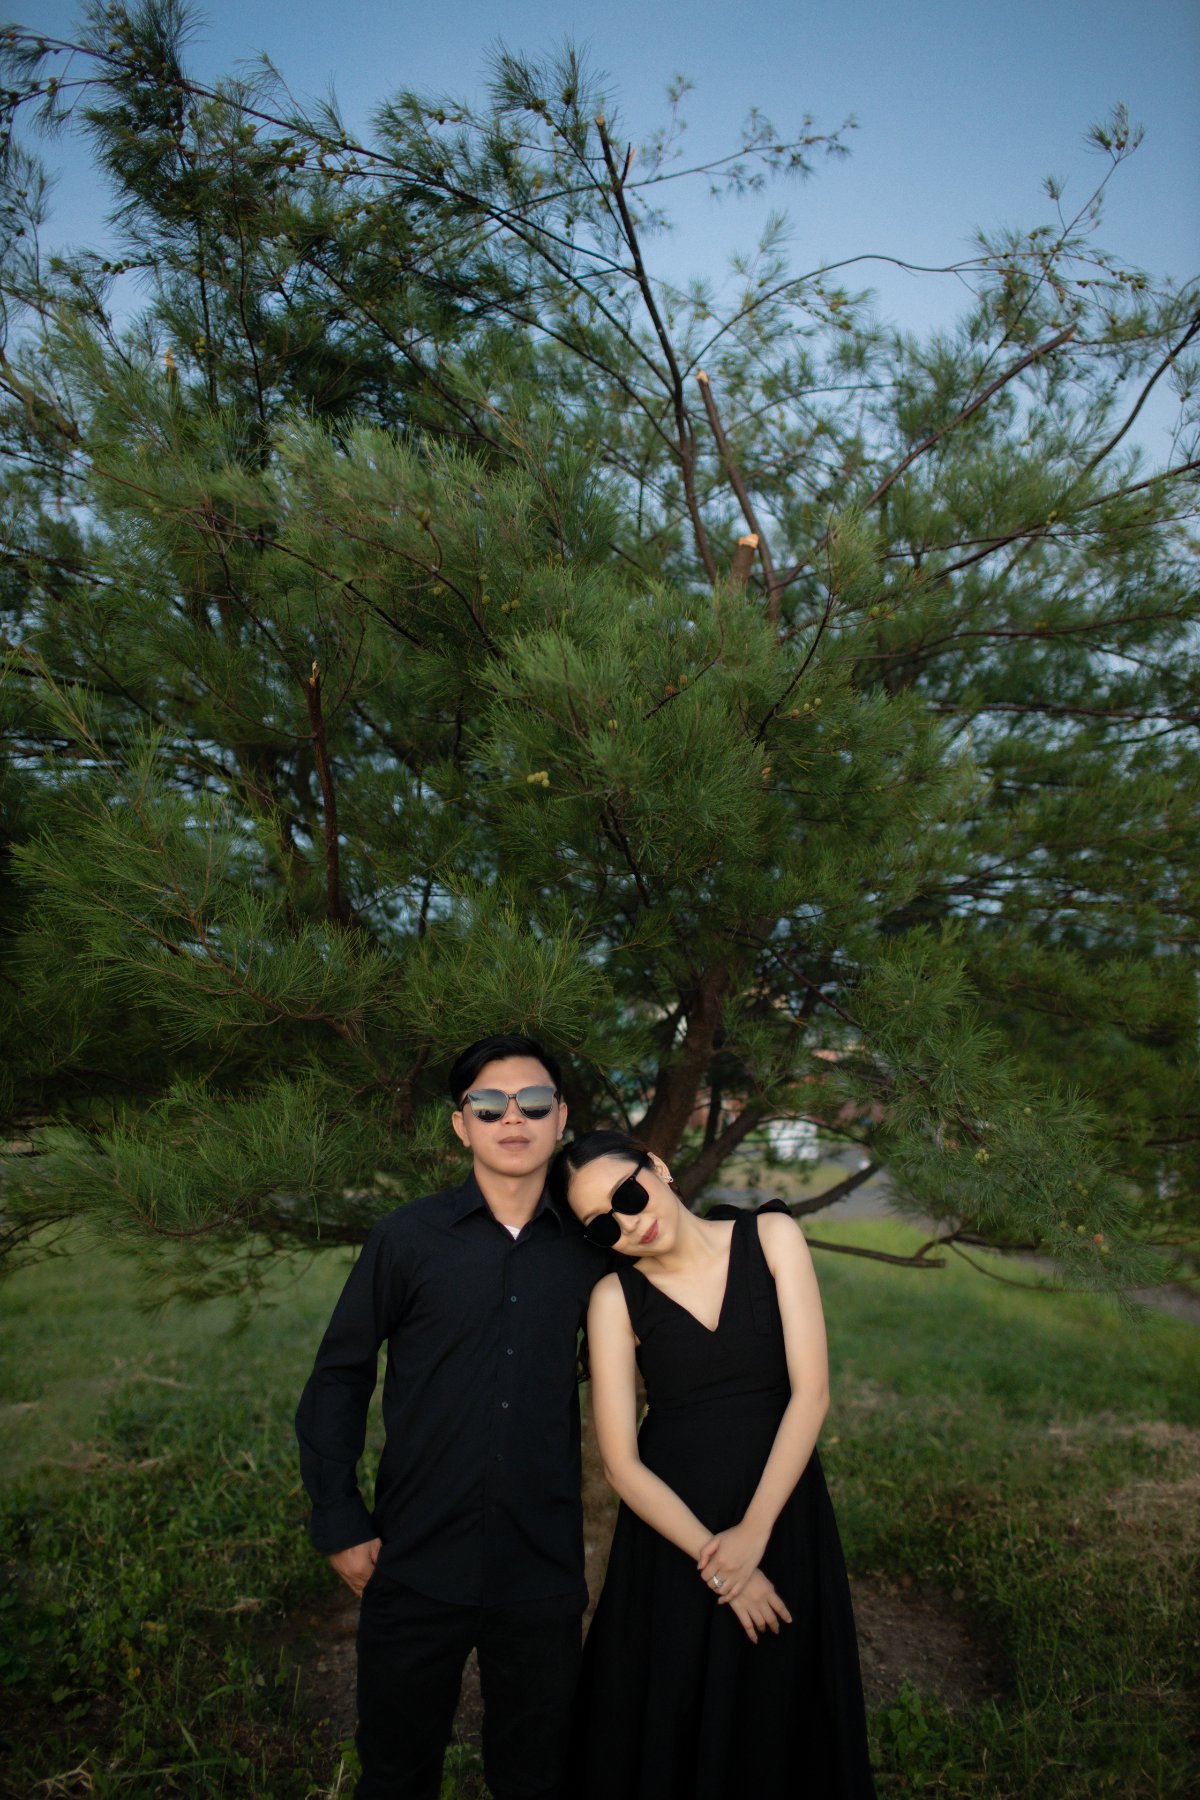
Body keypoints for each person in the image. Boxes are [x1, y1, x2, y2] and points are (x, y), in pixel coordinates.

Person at [295, 1034, 609, 1800]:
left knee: (537, 1776)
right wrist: (338, 1517)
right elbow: (340, 1375)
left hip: (540, 1566)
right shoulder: (407, 1239)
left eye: (534, 1102)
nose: (513, 1118)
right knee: (397, 1773)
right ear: (461, 1124)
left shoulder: (592, 1251)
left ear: (561, 1118)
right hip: (414, 1558)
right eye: (489, 1104)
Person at [550, 1128, 877, 1800]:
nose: (629, 1222)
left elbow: (811, 1394)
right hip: (676, 1537)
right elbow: (621, 1464)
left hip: (782, 1514)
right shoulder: (614, 1299)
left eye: (629, 1195)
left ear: (657, 1167)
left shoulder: (772, 1237)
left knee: (779, 1705)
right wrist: (720, 1563)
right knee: (675, 1710)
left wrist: (753, 1534)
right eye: (604, 1224)